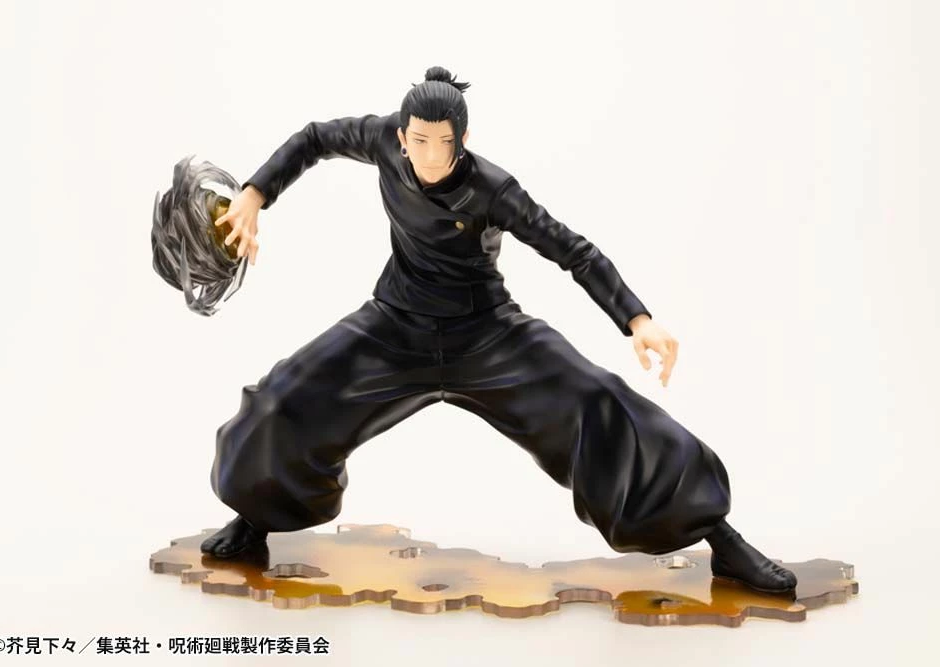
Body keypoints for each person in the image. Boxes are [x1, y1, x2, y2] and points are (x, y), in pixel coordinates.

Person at [200, 66, 797, 595]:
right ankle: (254, 522)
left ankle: (721, 539)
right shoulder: (381, 139)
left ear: (463, 140)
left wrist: (636, 318)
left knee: (601, 401)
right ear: (401, 136)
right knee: (283, 400)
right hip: (394, 326)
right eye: (419, 141)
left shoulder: (492, 188)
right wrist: (255, 194)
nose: (431, 156)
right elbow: (313, 138)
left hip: (487, 336)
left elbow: (572, 250)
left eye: (445, 142)